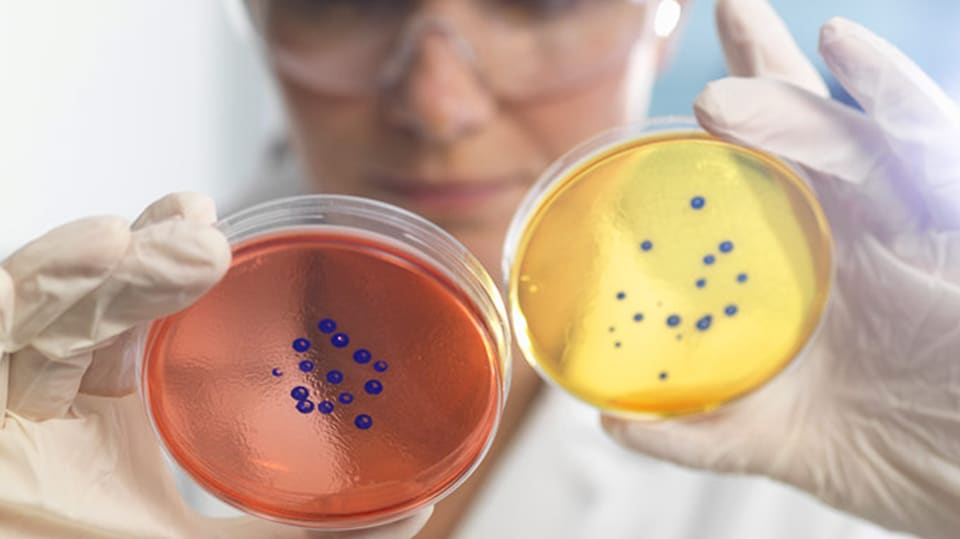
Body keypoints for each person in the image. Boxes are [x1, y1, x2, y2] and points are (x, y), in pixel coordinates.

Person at [1, 0, 958, 537]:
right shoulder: (52, 404)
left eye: (537, 1)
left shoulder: (827, 428)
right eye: (343, 0)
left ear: (660, 19)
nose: (438, 100)